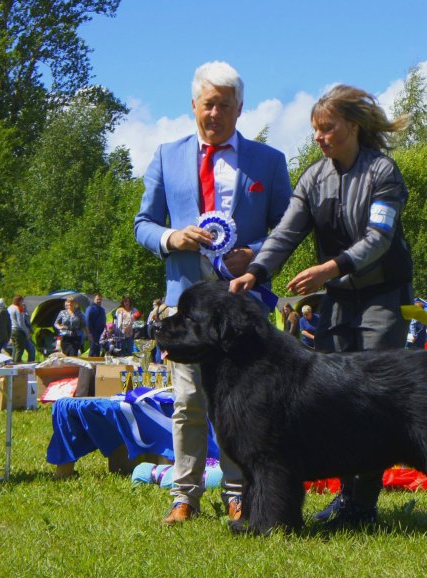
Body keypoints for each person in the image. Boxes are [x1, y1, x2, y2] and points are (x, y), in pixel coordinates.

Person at [230, 83, 412, 529]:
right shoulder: (314, 178)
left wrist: (330, 268)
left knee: (375, 397)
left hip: (382, 297)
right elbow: (286, 233)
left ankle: (363, 506)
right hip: (337, 300)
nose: (319, 137)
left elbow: (379, 239)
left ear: (352, 126)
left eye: (327, 128)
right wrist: (256, 270)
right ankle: (349, 499)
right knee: (334, 399)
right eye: (315, 130)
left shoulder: (383, 173)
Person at [134, 60, 292, 525]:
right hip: (186, 304)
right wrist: (171, 238)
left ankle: (239, 492)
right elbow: (142, 224)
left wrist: (256, 255)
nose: (215, 113)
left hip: (243, 305)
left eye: (225, 105)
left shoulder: (269, 161)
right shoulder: (166, 155)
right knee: (187, 403)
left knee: (245, 403)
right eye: (208, 104)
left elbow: (286, 228)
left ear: (239, 109)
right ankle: (184, 495)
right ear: (193, 106)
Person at [8, 295, 33, 363]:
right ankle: (17, 363)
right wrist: (26, 332)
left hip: (11, 330)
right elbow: (21, 323)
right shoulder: (19, 308)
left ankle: (12, 362)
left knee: (14, 348)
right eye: (22, 301)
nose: (23, 303)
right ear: (19, 301)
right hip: (18, 331)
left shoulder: (9, 308)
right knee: (19, 349)